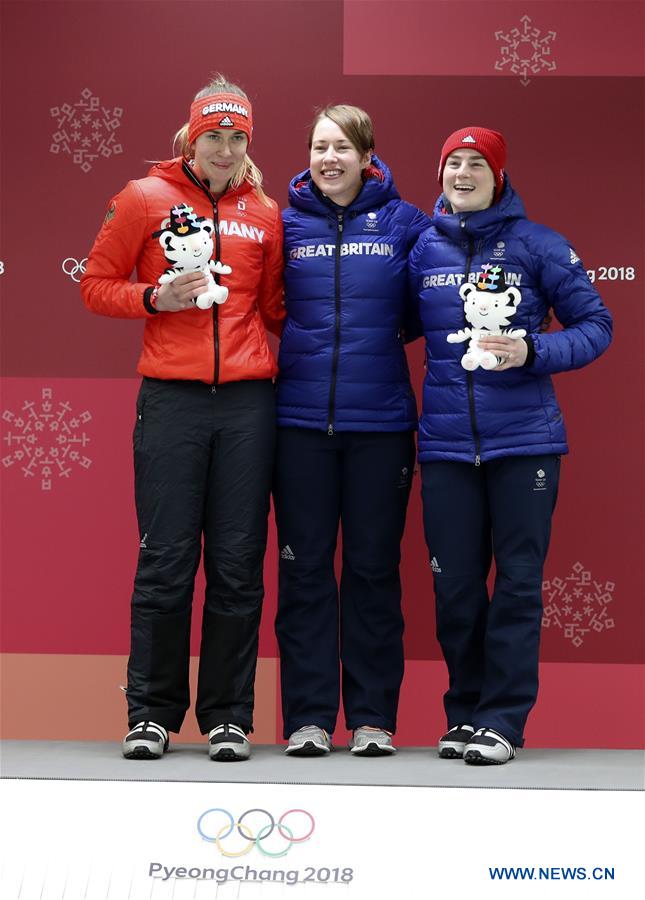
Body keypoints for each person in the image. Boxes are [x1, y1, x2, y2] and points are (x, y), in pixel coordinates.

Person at [81, 75, 284, 762]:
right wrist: (154, 298)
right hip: (171, 401)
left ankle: (228, 717)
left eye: (236, 137)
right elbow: (94, 285)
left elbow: (280, 307)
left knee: (236, 565)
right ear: (189, 136)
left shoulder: (265, 210)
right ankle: (151, 715)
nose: (224, 149)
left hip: (250, 405)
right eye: (212, 135)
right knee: (165, 562)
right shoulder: (143, 198)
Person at [409, 127, 612, 765]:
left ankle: (502, 720)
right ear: (439, 173)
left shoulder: (538, 244)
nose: (463, 174)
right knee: (456, 590)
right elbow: (386, 322)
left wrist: (533, 351)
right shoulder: (421, 248)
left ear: (499, 177)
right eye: (453, 163)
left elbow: (597, 325)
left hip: (525, 445)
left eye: (477, 164)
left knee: (518, 585)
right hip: (445, 446)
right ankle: (464, 713)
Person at [274, 105, 430, 756]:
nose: (328, 158)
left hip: (380, 425)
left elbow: (430, 304)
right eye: (318, 146)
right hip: (298, 424)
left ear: (368, 155)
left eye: (341, 146)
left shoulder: (406, 223)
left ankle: (371, 721)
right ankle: (308, 719)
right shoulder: (281, 222)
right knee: (303, 571)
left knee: (371, 570)